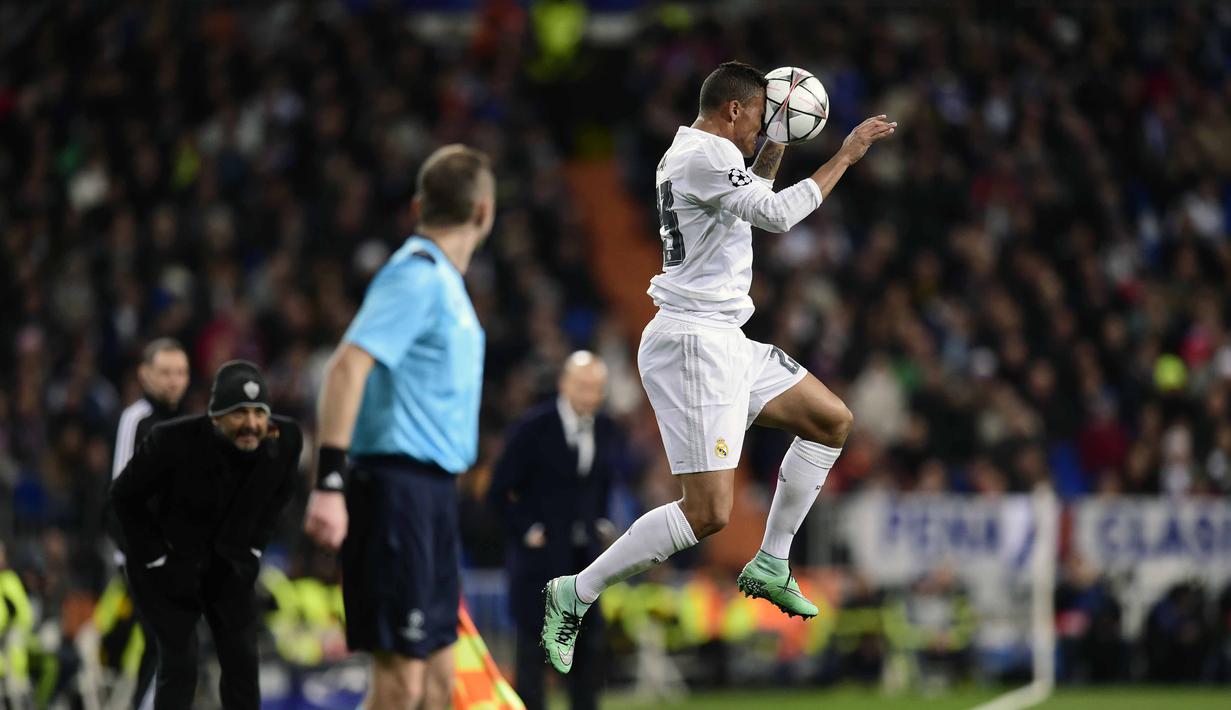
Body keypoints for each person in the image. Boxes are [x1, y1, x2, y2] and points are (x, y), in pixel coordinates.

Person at [542, 61, 896, 673]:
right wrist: (847, 154)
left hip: (725, 336)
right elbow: (777, 215)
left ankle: (772, 561)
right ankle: (576, 591)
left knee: (830, 421)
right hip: (693, 342)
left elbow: (750, 198)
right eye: (760, 116)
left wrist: (777, 141)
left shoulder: (703, 155)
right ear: (734, 109)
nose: (761, 128)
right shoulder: (703, 155)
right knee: (707, 513)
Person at [302, 144, 495, 710]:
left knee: (437, 685)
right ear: (483, 212)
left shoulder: (444, 284)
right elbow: (345, 368)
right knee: (400, 686)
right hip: (394, 492)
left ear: (418, 206)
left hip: (431, 496)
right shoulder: (416, 275)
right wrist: (329, 483)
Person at [110, 360, 303, 709]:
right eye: (239, 413)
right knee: (180, 662)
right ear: (216, 417)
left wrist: (255, 547)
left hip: (225, 562)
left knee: (242, 660)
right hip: (167, 561)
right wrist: (155, 557)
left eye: (259, 413)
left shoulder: (286, 441)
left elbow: (280, 497)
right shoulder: (171, 441)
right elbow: (122, 498)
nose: (251, 424)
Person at [488, 351, 622, 710]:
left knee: (588, 656)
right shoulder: (533, 428)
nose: (589, 395)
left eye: (596, 388)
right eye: (582, 386)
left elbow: (601, 485)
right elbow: (498, 491)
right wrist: (528, 530)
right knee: (533, 659)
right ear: (564, 384)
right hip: (539, 565)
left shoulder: (606, 428)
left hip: (585, 563)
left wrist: (600, 522)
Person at [107, 337, 190, 709]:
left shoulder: (187, 425)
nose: (174, 380)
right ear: (144, 374)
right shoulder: (137, 419)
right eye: (165, 372)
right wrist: (135, 556)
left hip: (177, 561)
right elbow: (118, 494)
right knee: (166, 644)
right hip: (144, 560)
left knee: (167, 648)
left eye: (181, 372)